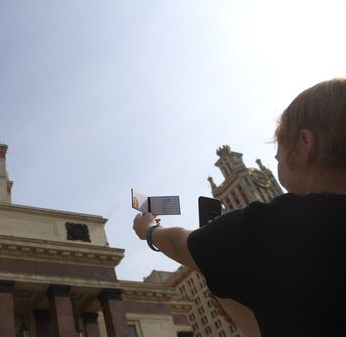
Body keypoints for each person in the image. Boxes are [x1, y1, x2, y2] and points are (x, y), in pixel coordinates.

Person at [133, 78, 346, 337]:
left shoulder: (268, 226)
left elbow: (179, 243)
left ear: (305, 144)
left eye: (279, 153)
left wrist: (150, 231)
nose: (277, 161)